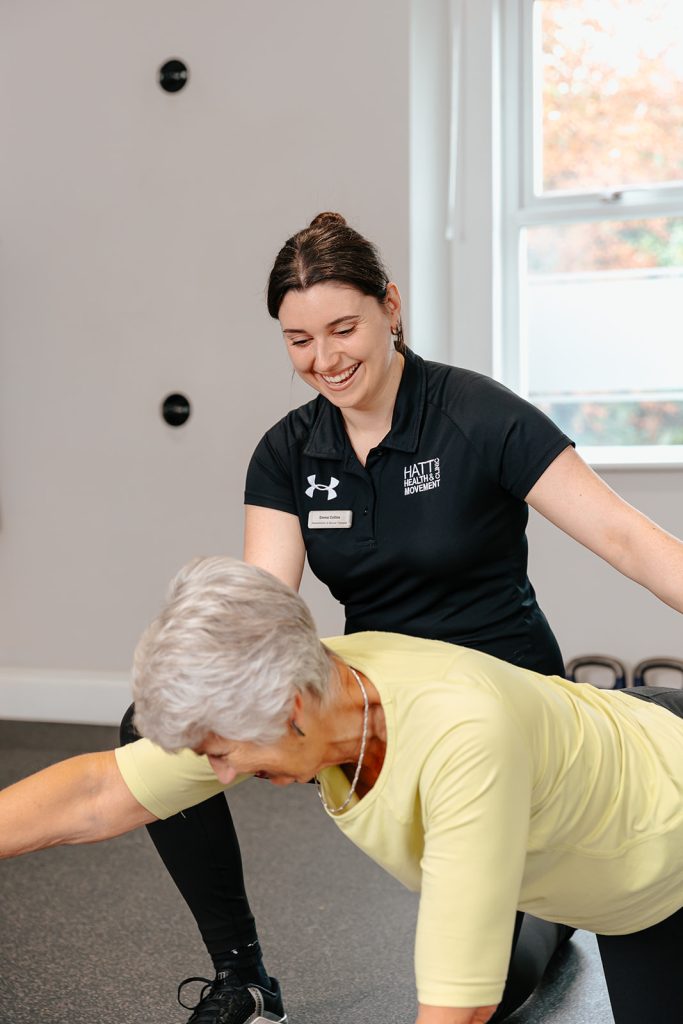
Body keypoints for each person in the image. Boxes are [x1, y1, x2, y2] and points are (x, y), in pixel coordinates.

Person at [121, 213, 683, 1024]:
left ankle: (555, 905)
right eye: (297, 340)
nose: (323, 360)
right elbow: (260, 619)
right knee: (145, 727)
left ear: (390, 306)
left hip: (507, 713)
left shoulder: (476, 414)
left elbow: (631, 540)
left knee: (501, 986)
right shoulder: (287, 453)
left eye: (343, 328)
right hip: (386, 712)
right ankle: (241, 975)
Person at [3, 557, 683, 1024]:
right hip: (582, 805)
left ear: (290, 709)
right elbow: (96, 792)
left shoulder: (459, 739)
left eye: (220, 754)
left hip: (662, 840)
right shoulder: (307, 680)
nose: (219, 776)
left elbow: (455, 1007)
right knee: (509, 928)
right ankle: (544, 909)